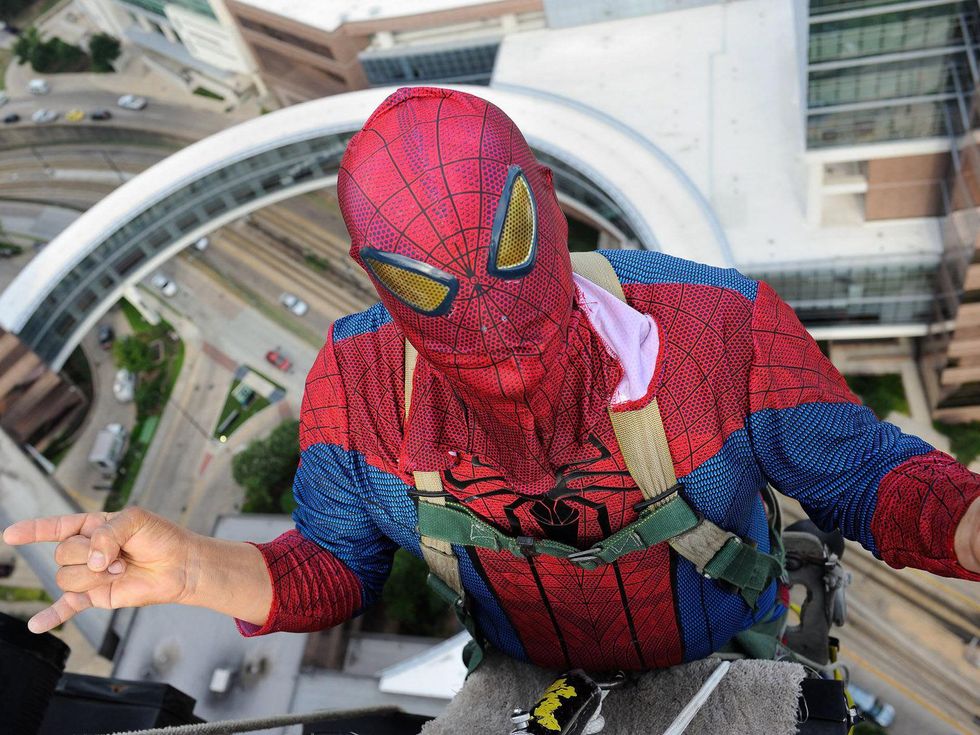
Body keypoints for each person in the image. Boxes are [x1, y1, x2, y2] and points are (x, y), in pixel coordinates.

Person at [5, 87, 980, 673]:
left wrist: (966, 521)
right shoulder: (356, 391)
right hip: (524, 681)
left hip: (732, 659)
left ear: (550, 209)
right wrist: (192, 571)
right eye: (421, 282)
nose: (483, 318)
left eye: (506, 245)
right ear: (375, 284)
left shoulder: (715, 330)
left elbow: (861, 479)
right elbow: (336, 567)